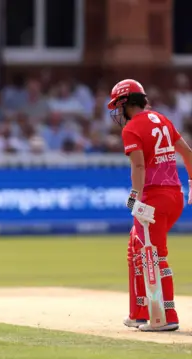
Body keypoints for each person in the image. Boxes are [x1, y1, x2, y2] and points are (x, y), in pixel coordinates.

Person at [108, 79, 192, 332]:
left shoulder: (132, 128)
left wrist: (134, 196)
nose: (116, 111)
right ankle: (139, 313)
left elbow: (139, 166)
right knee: (137, 246)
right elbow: (187, 153)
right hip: (174, 196)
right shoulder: (162, 119)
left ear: (125, 102)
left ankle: (165, 317)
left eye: (117, 104)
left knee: (153, 255)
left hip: (153, 199)